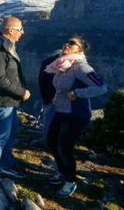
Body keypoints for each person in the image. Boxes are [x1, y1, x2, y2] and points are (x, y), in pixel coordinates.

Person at [45, 36, 107, 197]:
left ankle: (70, 181)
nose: (67, 44)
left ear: (80, 50)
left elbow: (101, 87)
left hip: (76, 115)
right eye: (66, 41)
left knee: (65, 148)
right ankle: (62, 172)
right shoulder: (63, 64)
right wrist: (57, 97)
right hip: (61, 111)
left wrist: (78, 93)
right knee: (51, 141)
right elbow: (61, 88)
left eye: (72, 43)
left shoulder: (82, 67)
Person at [0, 17, 30, 178]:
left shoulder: (7, 46)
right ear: (10, 30)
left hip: (9, 100)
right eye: (20, 29)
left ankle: (7, 162)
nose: (22, 32)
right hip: (3, 100)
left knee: (12, 130)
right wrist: (21, 92)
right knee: (1, 136)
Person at [38, 50, 61, 145]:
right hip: (65, 97)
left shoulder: (47, 62)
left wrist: (45, 97)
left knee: (48, 118)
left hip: (49, 96)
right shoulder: (72, 63)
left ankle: (46, 140)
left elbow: (41, 82)